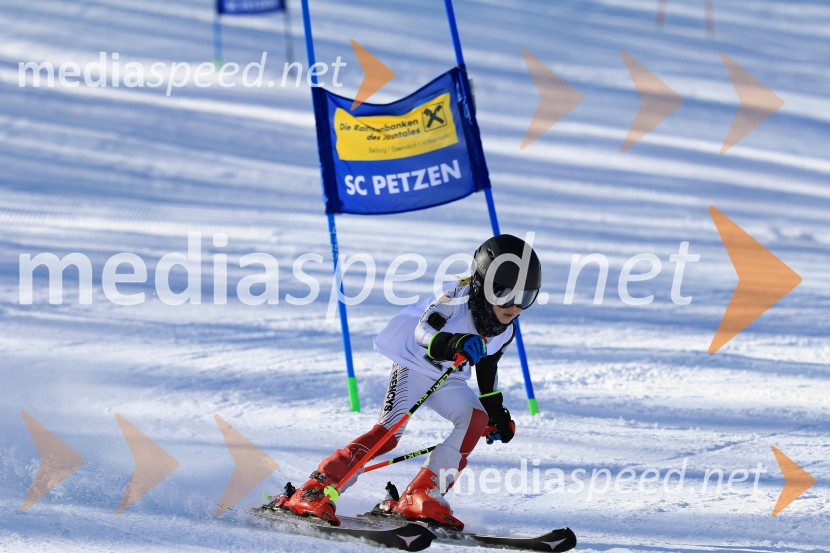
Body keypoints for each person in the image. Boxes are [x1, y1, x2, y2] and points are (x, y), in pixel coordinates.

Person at [271, 234, 542, 529]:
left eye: (526, 297)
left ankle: (422, 494)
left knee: (476, 419)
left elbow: (488, 366)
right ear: (482, 284)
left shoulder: (506, 329)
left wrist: (495, 411)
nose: (515, 307)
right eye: (505, 294)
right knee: (388, 436)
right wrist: (454, 342)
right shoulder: (454, 297)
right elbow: (422, 331)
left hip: (448, 377)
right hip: (414, 363)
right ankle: (316, 489)